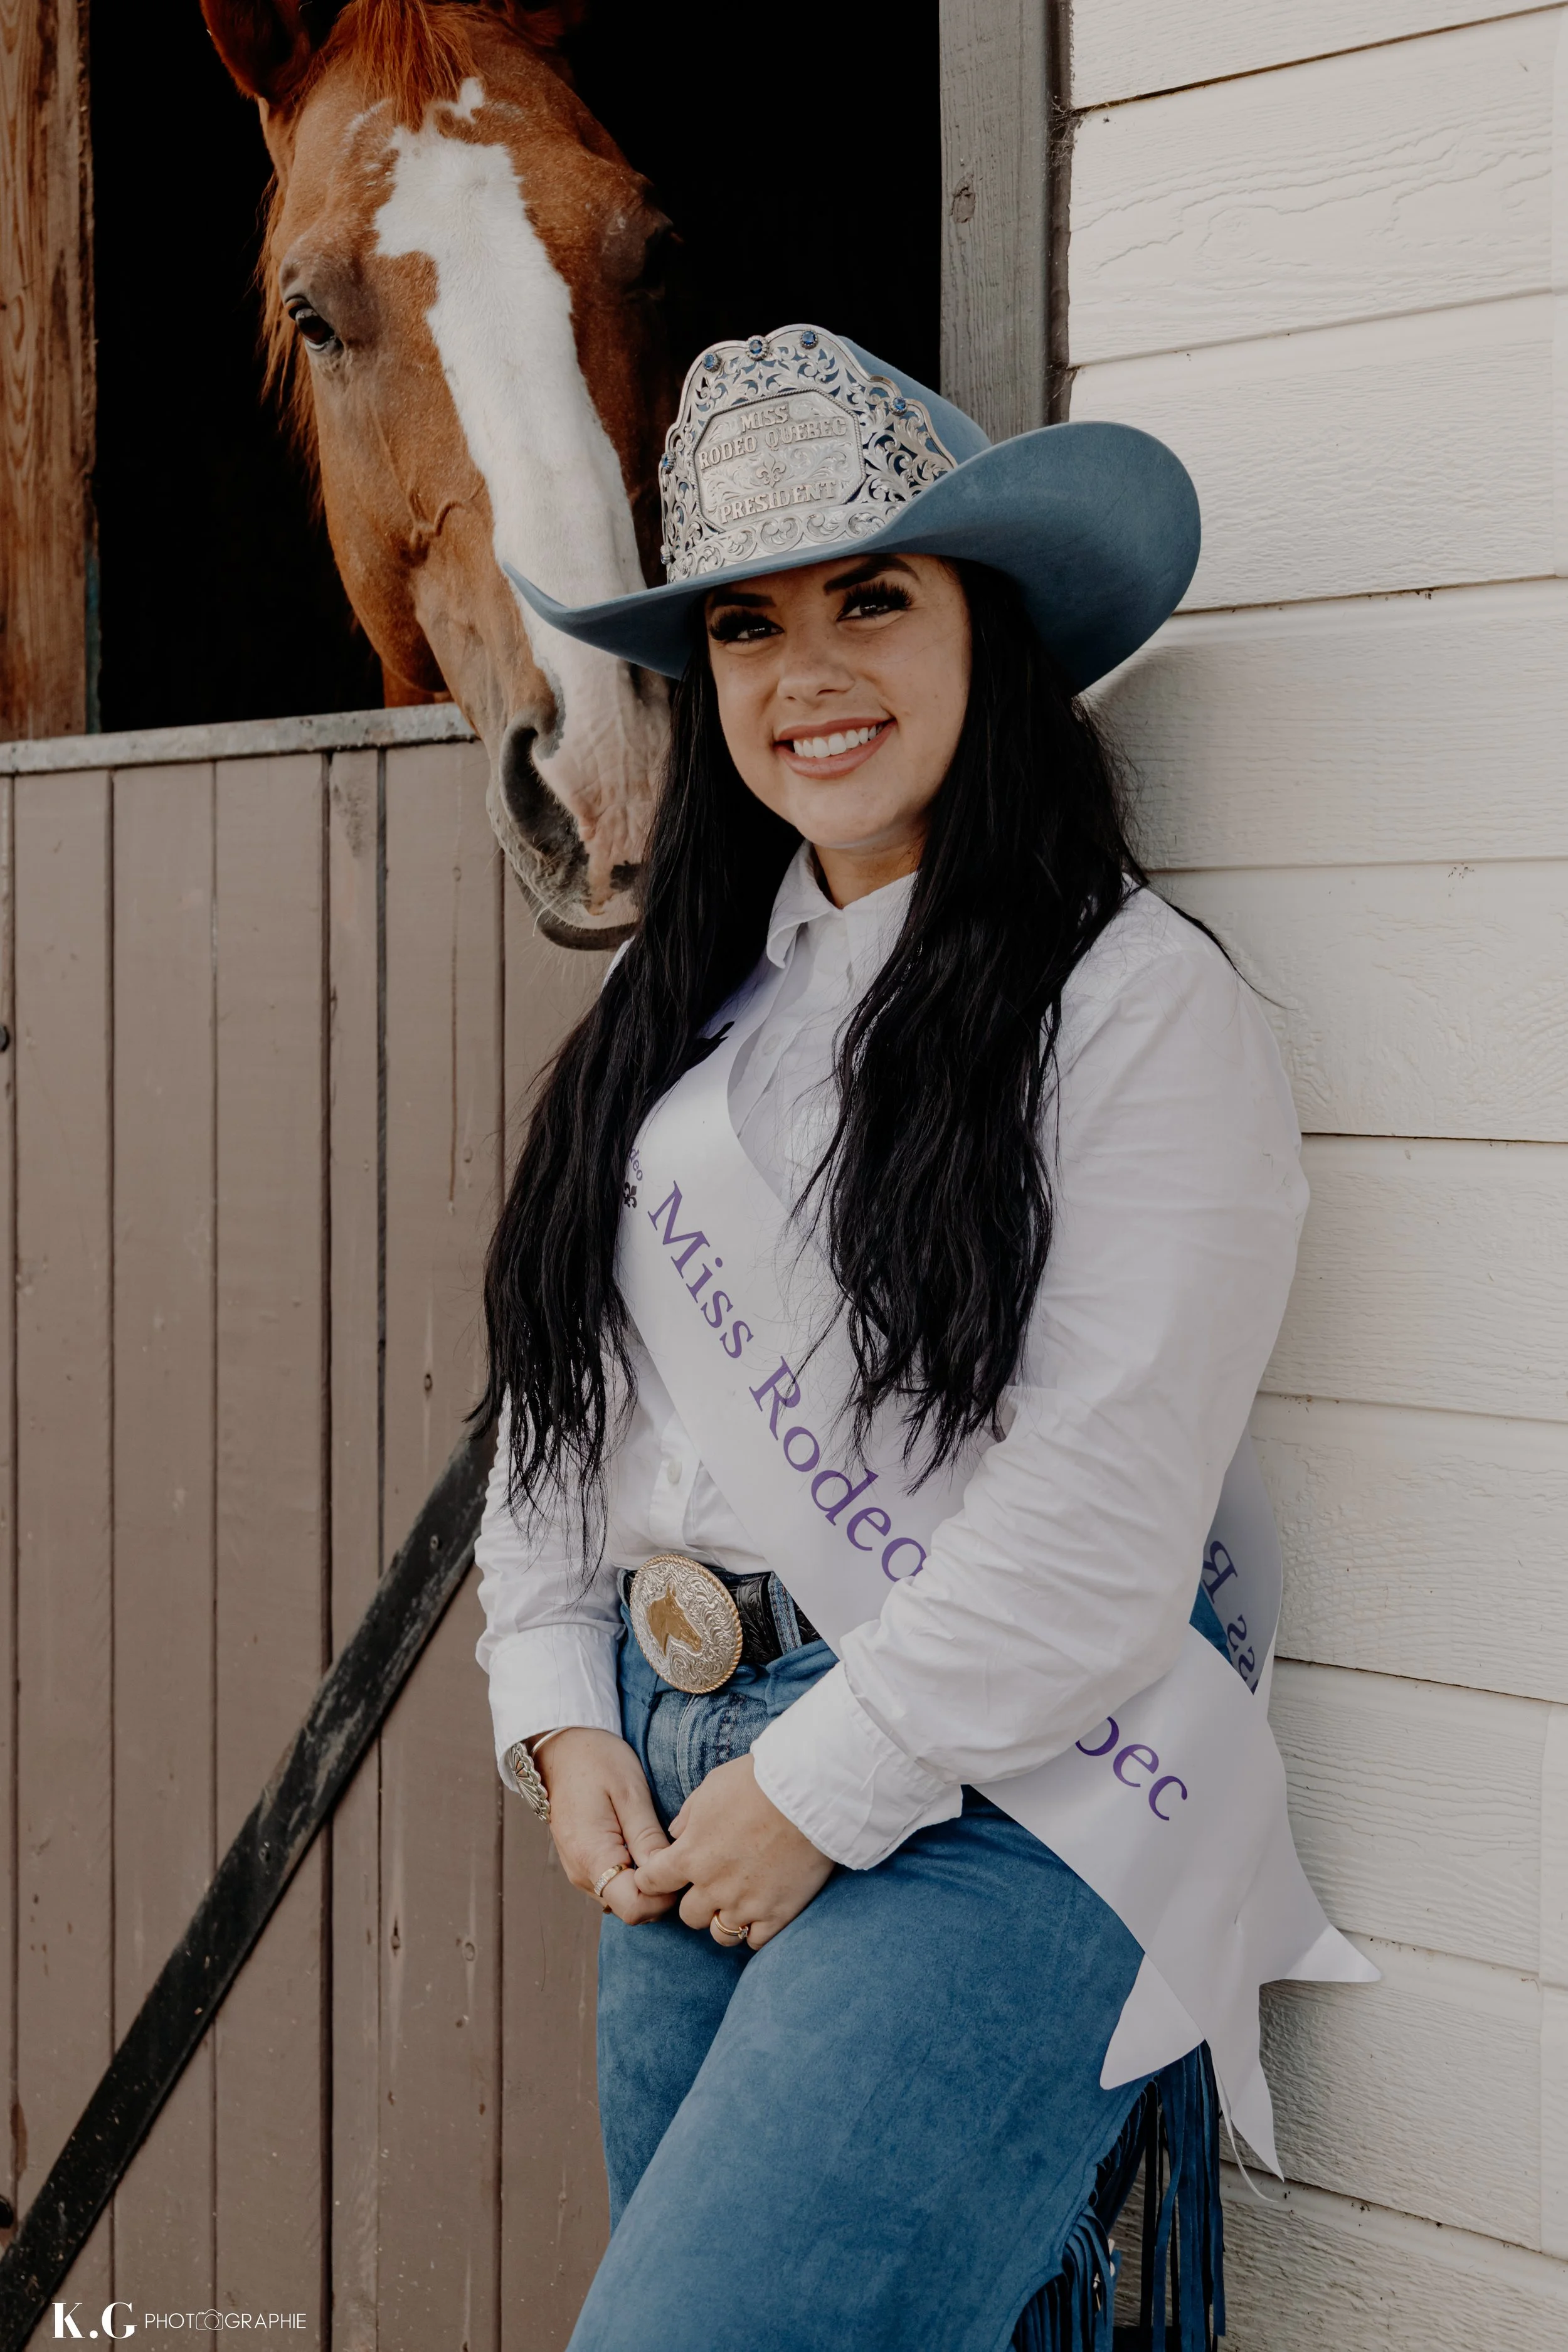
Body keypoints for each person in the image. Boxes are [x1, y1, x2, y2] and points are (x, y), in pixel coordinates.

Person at [474, 325, 1358, 2351]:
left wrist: (822, 1779)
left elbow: (1105, 1505)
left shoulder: (1134, 1012)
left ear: (993, 629)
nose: (810, 673)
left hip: (1002, 1783)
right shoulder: (690, 1006)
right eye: (751, 625)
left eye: (875, 596)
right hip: (689, 1767)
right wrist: (558, 1695)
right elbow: (558, 1396)